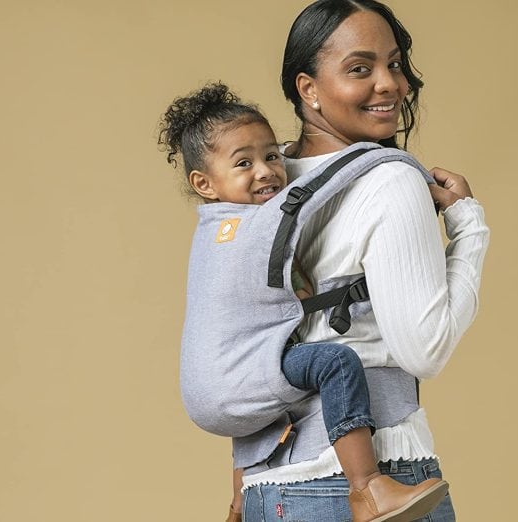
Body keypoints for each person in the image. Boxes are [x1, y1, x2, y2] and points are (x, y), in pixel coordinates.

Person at [238, 1, 490, 521]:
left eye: (394, 64)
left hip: (266, 483)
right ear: (308, 88)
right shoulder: (390, 181)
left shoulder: (263, 180)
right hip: (372, 479)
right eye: (360, 68)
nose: (389, 84)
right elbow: (426, 349)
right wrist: (469, 225)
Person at [159, 82, 449, 522]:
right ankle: (367, 487)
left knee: (271, 399)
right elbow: (311, 191)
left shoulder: (216, 232)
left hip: (218, 385)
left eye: (273, 155)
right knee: (334, 364)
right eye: (243, 163)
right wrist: (389, 158)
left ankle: (239, 503)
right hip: (240, 373)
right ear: (204, 183)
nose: (266, 172)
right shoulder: (253, 227)